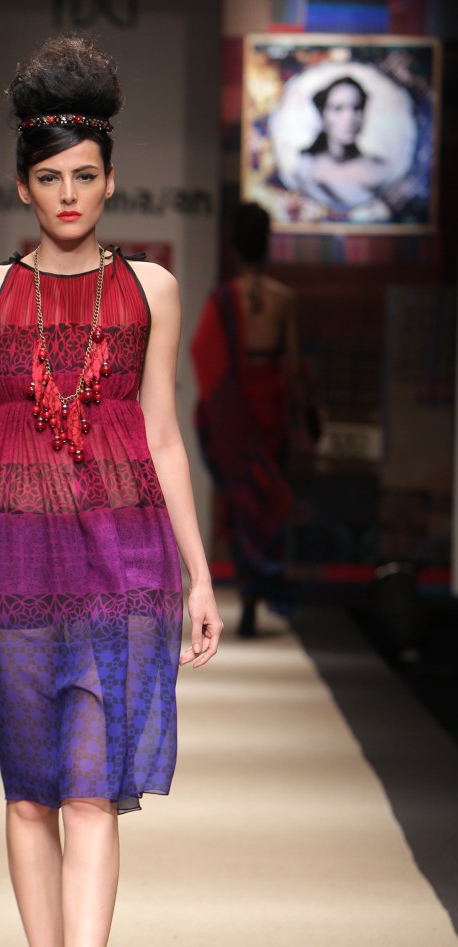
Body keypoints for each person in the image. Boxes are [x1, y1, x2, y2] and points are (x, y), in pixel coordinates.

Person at [0, 34, 222, 947]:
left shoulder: (150, 289)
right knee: (27, 792)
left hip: (124, 558)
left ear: (108, 179)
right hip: (13, 557)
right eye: (49, 179)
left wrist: (200, 575)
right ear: (22, 186)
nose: (67, 196)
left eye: (84, 177)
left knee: (90, 787)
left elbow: (164, 437)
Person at [190, 200, 309, 638]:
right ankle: (259, 591)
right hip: (270, 410)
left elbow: (202, 354)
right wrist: (304, 415)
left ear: (235, 247)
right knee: (265, 503)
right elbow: (293, 369)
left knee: (242, 506)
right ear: (267, 245)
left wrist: (220, 413)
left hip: (236, 416)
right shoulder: (284, 300)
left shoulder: (223, 299)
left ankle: (247, 595)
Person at [289, 75, 388, 212]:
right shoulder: (305, 168)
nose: (349, 118)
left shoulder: (378, 170)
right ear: (323, 115)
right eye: (338, 109)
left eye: (357, 108)